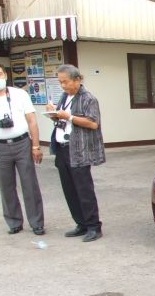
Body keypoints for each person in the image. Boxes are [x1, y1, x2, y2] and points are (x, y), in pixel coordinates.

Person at [45, 64, 105, 242]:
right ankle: (81, 223)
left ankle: (94, 226)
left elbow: (93, 123)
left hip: (79, 150)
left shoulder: (88, 98)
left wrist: (69, 117)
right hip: (62, 148)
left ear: (78, 80)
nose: (63, 86)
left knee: (84, 190)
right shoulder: (65, 96)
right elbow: (64, 118)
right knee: (69, 190)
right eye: (60, 82)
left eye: (66, 82)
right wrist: (54, 114)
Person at [0, 65, 45, 235]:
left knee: (29, 183)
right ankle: (14, 222)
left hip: (22, 143)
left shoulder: (20, 94)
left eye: (0, 74)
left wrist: (36, 145)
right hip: (1, 146)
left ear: (5, 74)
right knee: (6, 186)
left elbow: (32, 120)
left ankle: (37, 223)